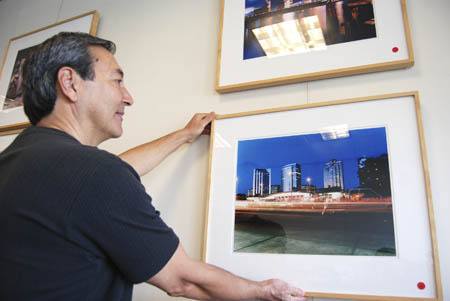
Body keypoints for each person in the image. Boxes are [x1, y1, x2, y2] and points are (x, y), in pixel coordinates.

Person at [0, 32, 306, 301]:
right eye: (117, 80)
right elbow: (182, 281)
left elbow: (114, 172)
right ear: (70, 83)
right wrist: (262, 291)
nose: (128, 97)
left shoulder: (20, 163)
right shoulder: (93, 175)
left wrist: (183, 136)